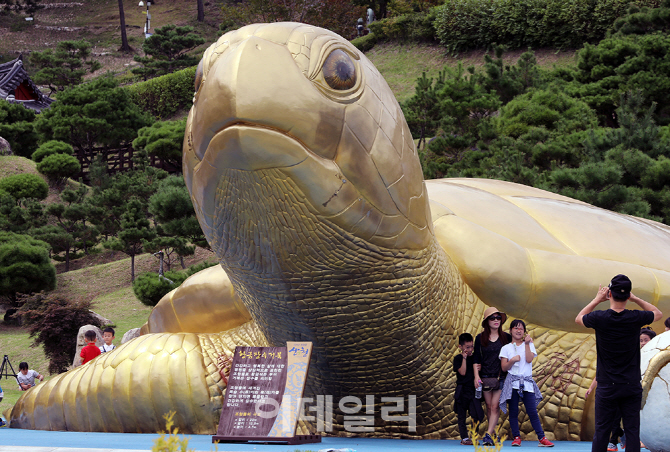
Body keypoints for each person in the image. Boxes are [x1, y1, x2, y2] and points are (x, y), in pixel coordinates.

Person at [575, 274, 663, 452]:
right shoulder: (635, 317)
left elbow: (579, 318)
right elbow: (658, 314)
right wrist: (635, 298)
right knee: (632, 431)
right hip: (631, 384)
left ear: (609, 294)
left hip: (607, 384)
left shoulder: (600, 317)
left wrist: (596, 299)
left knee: (602, 431)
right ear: (627, 295)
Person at [499, 319, 555, 447]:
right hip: (512, 382)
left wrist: (527, 344)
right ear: (511, 330)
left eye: (521, 329)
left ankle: (541, 438)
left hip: (527, 383)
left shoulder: (529, 345)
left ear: (524, 331)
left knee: (532, 411)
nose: (519, 330)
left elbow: (529, 359)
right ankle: (517, 437)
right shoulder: (506, 348)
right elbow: (504, 368)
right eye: (516, 328)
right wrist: (512, 360)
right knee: (513, 412)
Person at [473, 306, 511, 446]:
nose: (496, 320)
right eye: (492, 318)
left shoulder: (506, 337)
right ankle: (492, 432)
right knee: (488, 406)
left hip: (501, 376)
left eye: (498, 318)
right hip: (485, 377)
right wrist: (476, 376)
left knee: (495, 406)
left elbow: (514, 350)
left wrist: (527, 343)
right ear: (486, 321)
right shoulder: (480, 338)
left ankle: (488, 434)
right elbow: (476, 359)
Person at [454, 332, 484, 445]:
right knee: (461, 416)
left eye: (471, 346)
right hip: (462, 391)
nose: (470, 349)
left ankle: (474, 436)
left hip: (473, 390)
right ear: (460, 347)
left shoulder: (476, 357)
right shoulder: (458, 358)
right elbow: (462, 372)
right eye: (467, 347)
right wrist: (464, 358)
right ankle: (465, 438)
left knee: (477, 414)